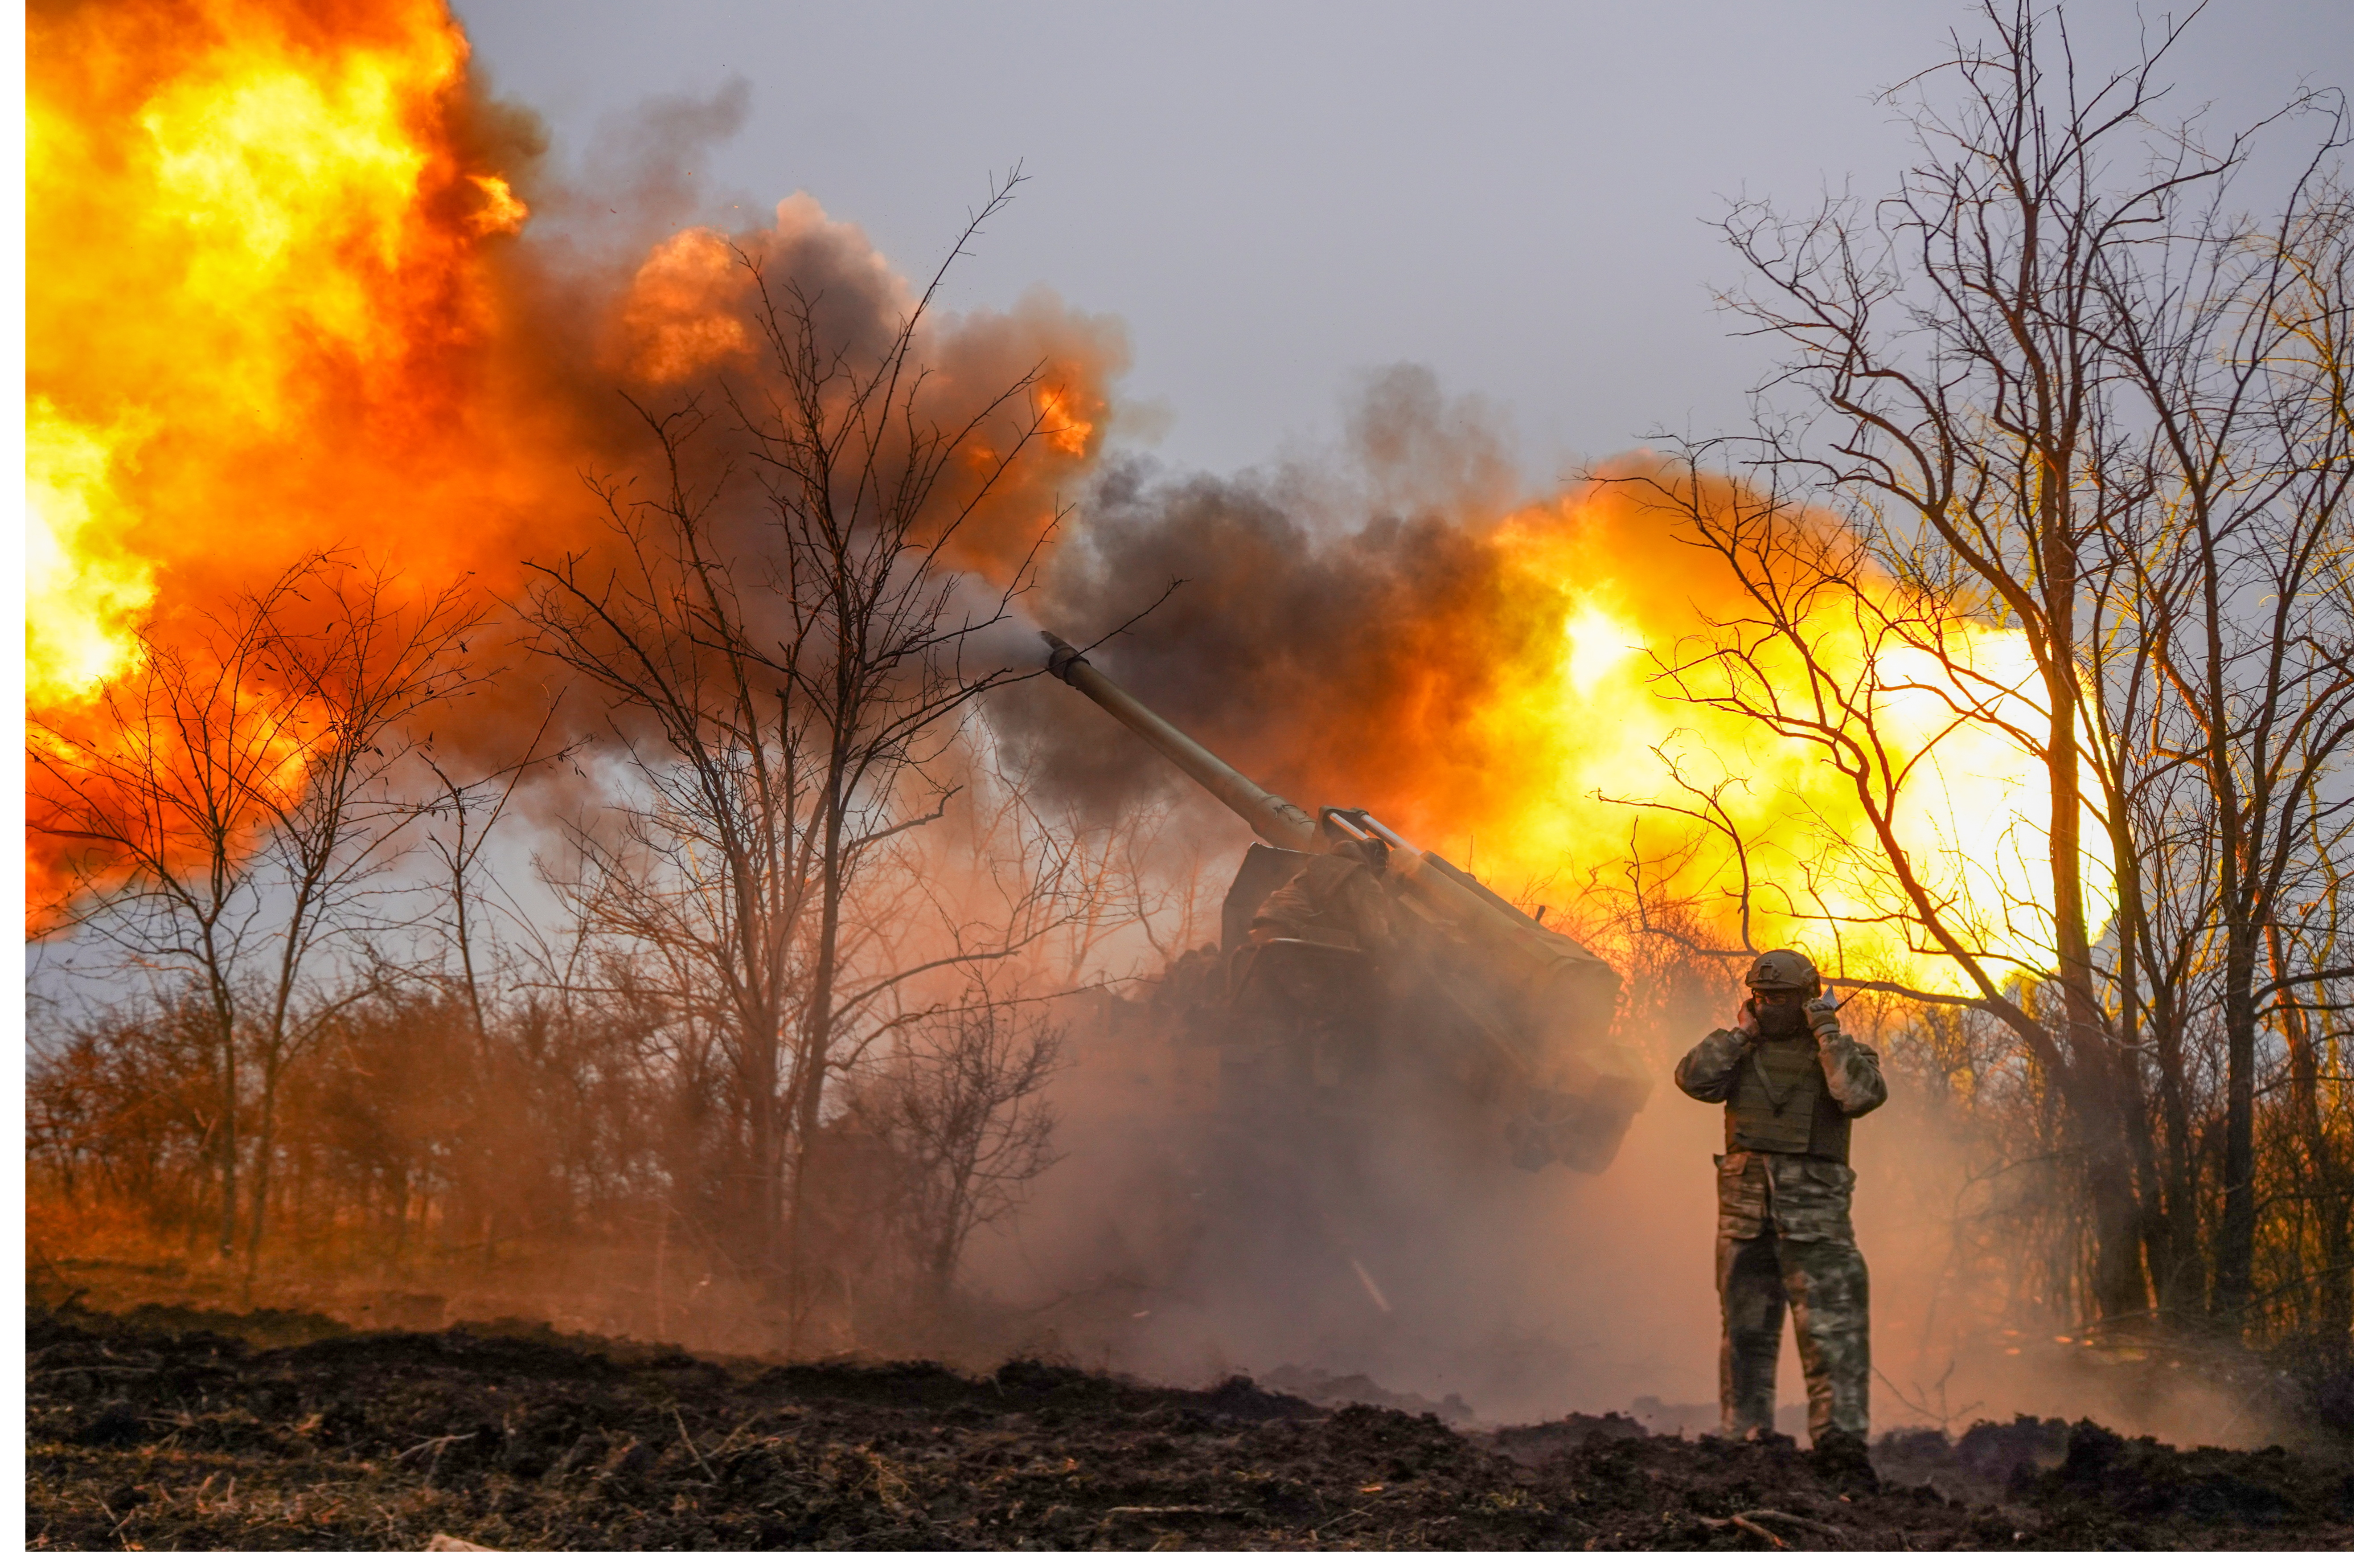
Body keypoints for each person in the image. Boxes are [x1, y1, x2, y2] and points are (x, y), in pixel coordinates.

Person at [1675, 948, 1887, 1486]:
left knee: (1833, 1337)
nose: (1770, 1007)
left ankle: (1841, 1449)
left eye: (1783, 999)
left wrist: (1826, 1034)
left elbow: (1859, 1095)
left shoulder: (1841, 1053)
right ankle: (1744, 1438)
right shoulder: (1738, 1053)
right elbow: (1693, 1080)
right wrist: (1741, 1034)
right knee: (1745, 1334)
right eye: (1762, 997)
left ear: (1808, 1000)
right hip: (1745, 1218)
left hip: (1817, 1223)